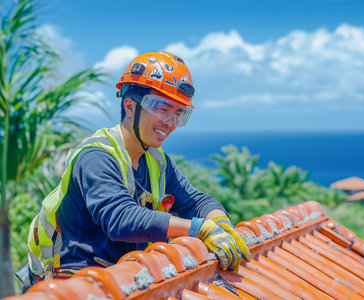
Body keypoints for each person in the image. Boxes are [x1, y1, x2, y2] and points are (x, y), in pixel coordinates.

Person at [21, 51, 250, 290]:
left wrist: (220, 224)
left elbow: (195, 200)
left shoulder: (156, 160)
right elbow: (120, 219)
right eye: (162, 108)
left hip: (123, 278)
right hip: (76, 284)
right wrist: (198, 229)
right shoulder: (96, 157)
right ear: (130, 106)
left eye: (178, 114)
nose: (170, 122)